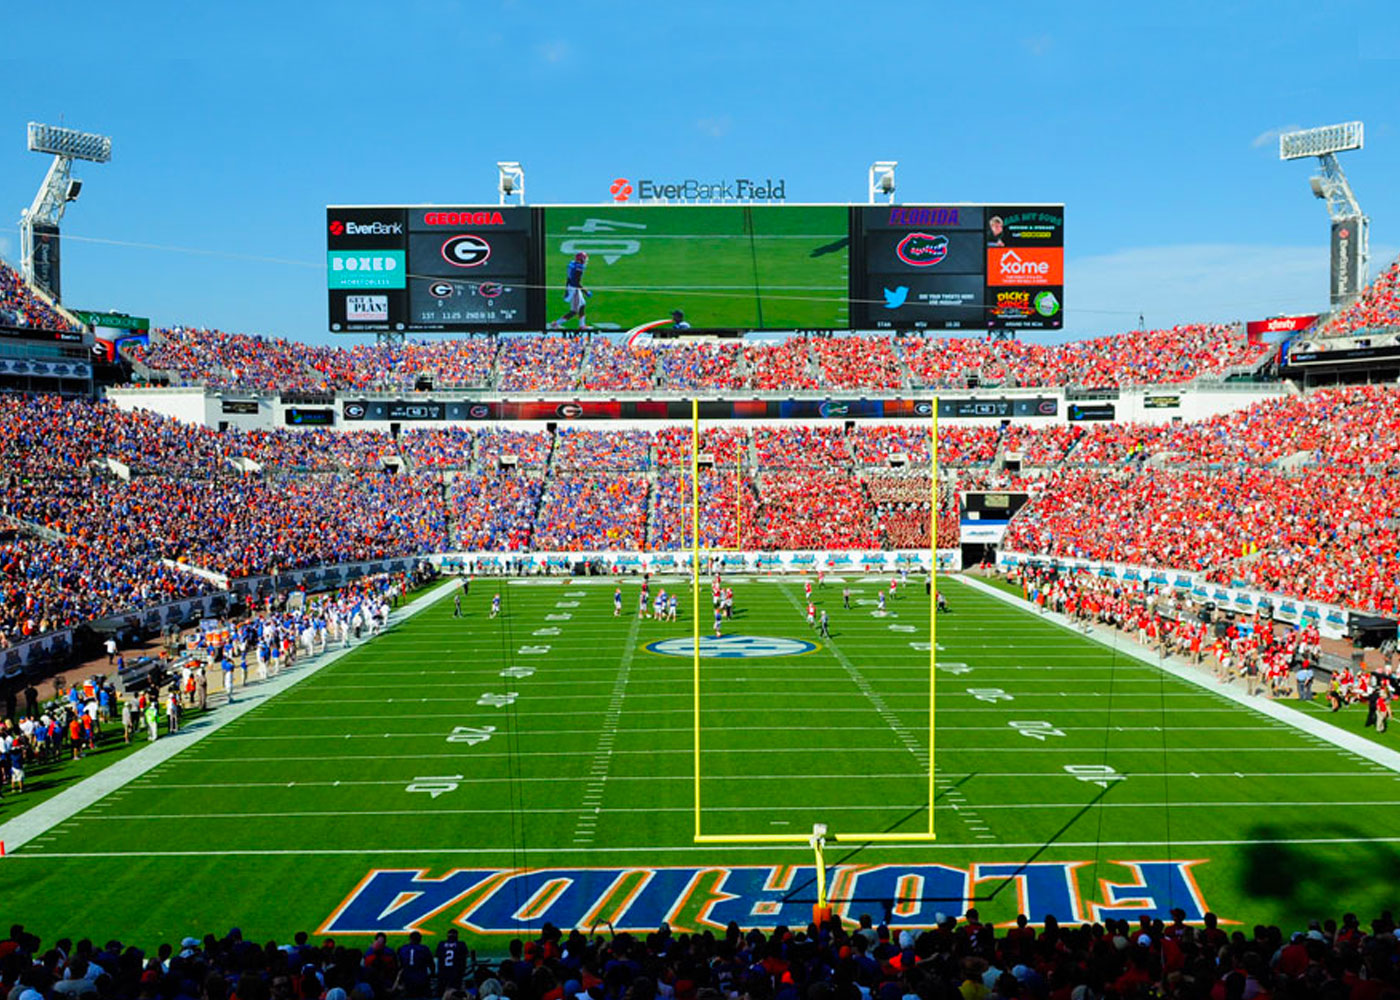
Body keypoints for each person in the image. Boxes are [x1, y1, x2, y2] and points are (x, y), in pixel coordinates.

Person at [549, 252, 591, 331]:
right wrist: (585, 291)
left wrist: (567, 289)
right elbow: (576, 282)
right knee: (574, 311)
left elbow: (569, 279)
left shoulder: (573, 264)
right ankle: (556, 324)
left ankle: (582, 325)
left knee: (582, 305)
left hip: (572, 287)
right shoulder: (579, 268)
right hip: (574, 289)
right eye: (584, 259)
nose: (585, 260)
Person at [436, 928, 467, 994]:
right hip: (456, 973)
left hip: (443, 972)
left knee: (441, 993)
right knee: (455, 993)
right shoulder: (461, 944)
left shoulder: (441, 944)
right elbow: (464, 957)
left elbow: (438, 955)